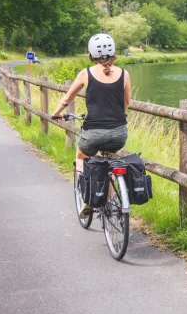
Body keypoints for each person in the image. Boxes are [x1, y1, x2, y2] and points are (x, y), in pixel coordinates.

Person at [51, 34, 131, 213]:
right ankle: (111, 202)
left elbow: (67, 99)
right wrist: (118, 118)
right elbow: (126, 103)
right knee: (110, 160)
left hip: (93, 133)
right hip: (119, 133)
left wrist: (56, 113)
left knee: (81, 156)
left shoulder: (85, 73)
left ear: (91, 54)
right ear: (113, 51)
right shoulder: (124, 74)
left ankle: (86, 196)